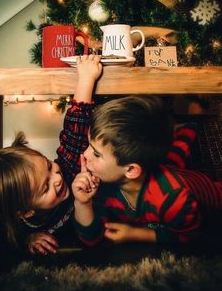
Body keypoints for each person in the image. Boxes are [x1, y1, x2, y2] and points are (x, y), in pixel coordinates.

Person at [0, 54, 102, 256]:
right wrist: (27, 240)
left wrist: (86, 79)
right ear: (26, 212)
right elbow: (6, 240)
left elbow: (75, 130)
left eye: (49, 166)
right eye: (44, 187)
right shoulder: (11, 223)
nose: (57, 179)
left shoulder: (68, 169)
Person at [72, 95, 222, 245]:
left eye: (96, 154)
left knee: (176, 157)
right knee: (175, 155)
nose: (85, 155)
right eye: (89, 146)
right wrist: (82, 203)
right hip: (164, 169)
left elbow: (192, 236)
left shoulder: (173, 198)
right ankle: (187, 128)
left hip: (213, 197)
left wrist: (138, 234)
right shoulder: (103, 184)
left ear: (130, 169)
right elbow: (91, 239)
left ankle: (191, 124)